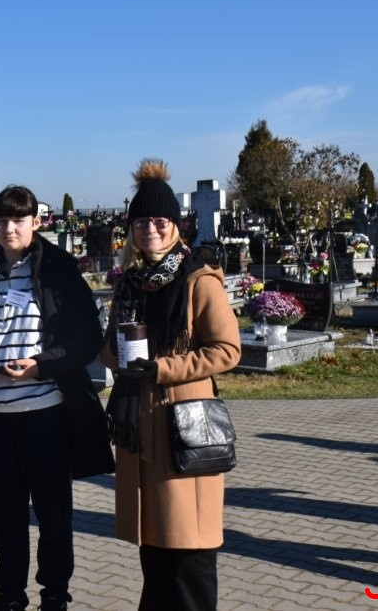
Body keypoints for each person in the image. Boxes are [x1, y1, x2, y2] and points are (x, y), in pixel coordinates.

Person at [0, 185, 113, 611]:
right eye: (1, 221)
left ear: (35, 222)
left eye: (18, 220)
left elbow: (86, 338)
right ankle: (8, 594)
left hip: (46, 412)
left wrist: (40, 366)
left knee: (53, 515)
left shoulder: (59, 269)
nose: (9, 228)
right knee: (5, 516)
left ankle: (55, 594)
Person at [100, 160, 241, 610]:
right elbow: (110, 349)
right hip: (141, 431)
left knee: (190, 556)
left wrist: (161, 368)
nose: (151, 230)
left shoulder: (199, 280)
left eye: (160, 221)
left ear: (175, 225)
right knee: (156, 557)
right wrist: (117, 354)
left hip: (183, 427)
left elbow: (226, 350)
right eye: (141, 222)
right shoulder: (130, 285)